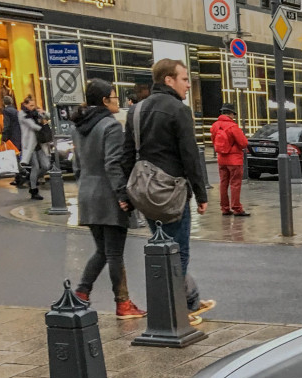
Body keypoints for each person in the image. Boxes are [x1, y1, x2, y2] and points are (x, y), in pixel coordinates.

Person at [124, 58, 215, 325]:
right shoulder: (178, 110)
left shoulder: (136, 110)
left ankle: (189, 300)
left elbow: (126, 154)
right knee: (178, 251)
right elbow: (190, 156)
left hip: (145, 192)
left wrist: (124, 194)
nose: (188, 85)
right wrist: (201, 194)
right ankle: (177, 309)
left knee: (162, 245)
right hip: (172, 191)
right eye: (185, 79)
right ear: (169, 80)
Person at [70, 79, 146, 320]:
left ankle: (81, 292)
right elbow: (113, 163)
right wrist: (122, 194)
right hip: (108, 195)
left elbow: (77, 165)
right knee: (113, 253)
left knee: (102, 250)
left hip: (87, 194)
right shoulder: (110, 126)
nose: (118, 101)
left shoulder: (79, 126)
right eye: (114, 97)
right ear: (104, 100)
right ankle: (122, 303)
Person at [210, 103, 250, 216]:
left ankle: (224, 208)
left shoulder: (215, 126)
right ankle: (237, 208)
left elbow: (213, 141)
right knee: (235, 184)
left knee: (223, 183)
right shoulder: (232, 126)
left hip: (221, 158)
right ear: (231, 114)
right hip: (234, 160)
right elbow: (243, 143)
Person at [18, 95, 49, 200]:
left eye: (33, 105)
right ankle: (34, 189)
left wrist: (42, 112)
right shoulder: (22, 114)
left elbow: (48, 116)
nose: (32, 107)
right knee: (35, 167)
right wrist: (43, 126)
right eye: (31, 105)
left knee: (46, 165)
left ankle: (31, 179)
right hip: (30, 144)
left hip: (39, 143)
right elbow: (32, 125)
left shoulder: (35, 113)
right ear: (25, 104)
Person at [1, 94, 22, 187]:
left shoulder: (6, 111)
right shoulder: (16, 111)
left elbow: (7, 125)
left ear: (3, 102)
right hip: (18, 136)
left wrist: (3, 137)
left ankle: (20, 176)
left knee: (14, 158)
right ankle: (19, 176)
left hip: (11, 138)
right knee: (17, 156)